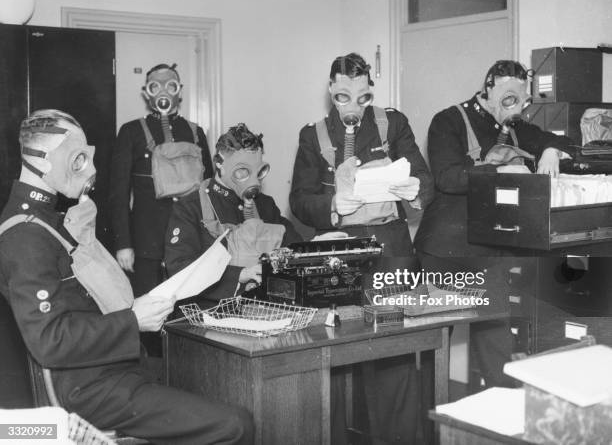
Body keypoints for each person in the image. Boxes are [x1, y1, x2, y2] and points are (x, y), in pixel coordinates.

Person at [0, 110, 253, 445]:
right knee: (235, 425)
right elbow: (50, 340)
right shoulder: (26, 235)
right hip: (89, 388)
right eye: (77, 160)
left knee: (227, 385)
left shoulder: (50, 220)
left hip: (109, 367)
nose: (90, 170)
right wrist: (133, 320)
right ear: (43, 161)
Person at [290, 53, 435, 444]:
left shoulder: (393, 123)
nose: (352, 106)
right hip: (338, 252)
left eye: (362, 97)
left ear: (371, 92)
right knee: (331, 356)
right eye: (342, 97)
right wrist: (333, 205)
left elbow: (424, 177)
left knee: (395, 355)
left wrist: (414, 189)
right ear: (331, 91)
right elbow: (299, 200)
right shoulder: (314, 135)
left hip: (390, 246)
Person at [414, 59, 574, 258]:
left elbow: (565, 142)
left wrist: (552, 151)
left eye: (521, 102)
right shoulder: (448, 120)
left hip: (497, 240)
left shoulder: (514, 127)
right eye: (508, 99)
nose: (515, 110)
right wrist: (500, 171)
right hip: (451, 246)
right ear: (488, 89)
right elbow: (448, 178)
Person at [109, 63, 213, 356]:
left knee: (188, 312)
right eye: (156, 85)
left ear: (180, 92)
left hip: (190, 238)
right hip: (146, 241)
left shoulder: (195, 132)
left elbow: (208, 189)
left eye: (171, 85)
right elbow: (118, 193)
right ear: (146, 93)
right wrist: (123, 243)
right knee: (150, 315)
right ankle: (152, 376)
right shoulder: (130, 131)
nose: (163, 91)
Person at [165, 123, 302, 307]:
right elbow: (179, 267)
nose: (252, 180)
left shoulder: (264, 204)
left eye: (258, 171)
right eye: (242, 170)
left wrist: (316, 244)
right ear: (219, 163)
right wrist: (239, 275)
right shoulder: (191, 207)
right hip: (207, 313)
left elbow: (293, 247)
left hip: (261, 311)